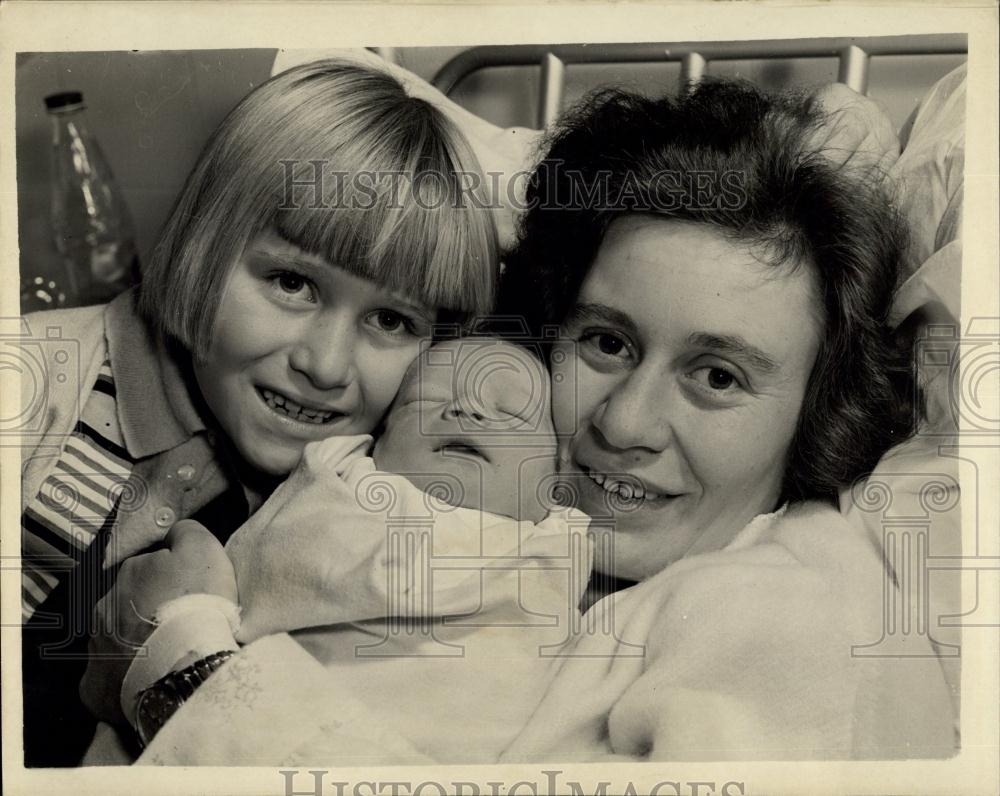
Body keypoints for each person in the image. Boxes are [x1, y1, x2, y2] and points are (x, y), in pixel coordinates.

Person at [81, 65, 961, 763]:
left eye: (718, 377)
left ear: (819, 414)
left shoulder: (802, 616)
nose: (625, 425)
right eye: (607, 344)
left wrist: (184, 669)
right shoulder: (513, 530)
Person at [19, 57, 499, 766]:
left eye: (393, 322)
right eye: (292, 282)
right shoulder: (40, 380)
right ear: (203, 245)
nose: (326, 366)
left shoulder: (368, 487)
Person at [113, 338, 591, 764]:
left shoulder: (546, 552)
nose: (464, 410)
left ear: (555, 481)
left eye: (509, 411)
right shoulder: (335, 490)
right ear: (374, 447)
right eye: (427, 400)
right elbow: (264, 576)